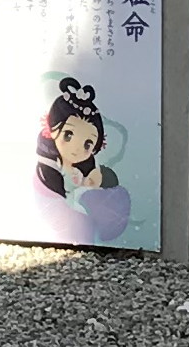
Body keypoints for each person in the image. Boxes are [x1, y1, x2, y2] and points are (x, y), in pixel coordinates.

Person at [32, 74, 133, 245]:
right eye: (68, 135)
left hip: (80, 215)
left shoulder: (87, 167)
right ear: (53, 129)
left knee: (111, 198)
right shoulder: (48, 166)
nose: (78, 149)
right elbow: (59, 200)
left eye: (88, 144)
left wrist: (91, 185)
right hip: (60, 216)